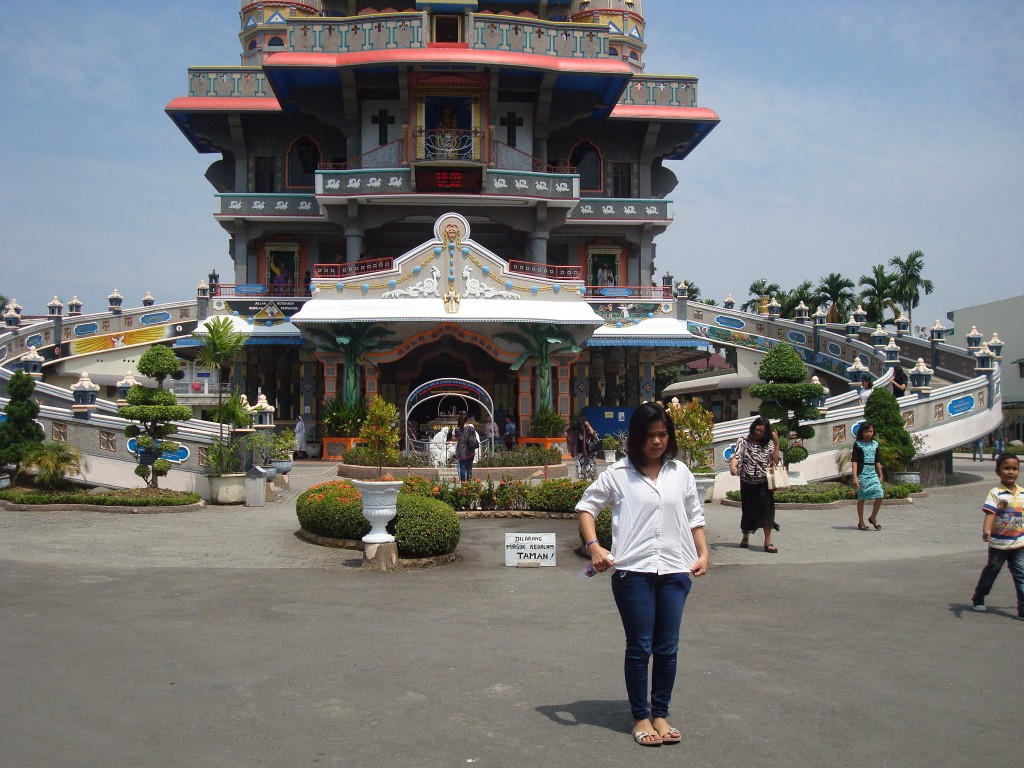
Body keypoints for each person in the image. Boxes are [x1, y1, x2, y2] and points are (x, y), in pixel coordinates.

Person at [576, 403, 708, 747]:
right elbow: (587, 507)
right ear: (636, 438)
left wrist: (704, 552)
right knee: (641, 647)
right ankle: (640, 716)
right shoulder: (618, 474)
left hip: (676, 570)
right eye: (649, 435)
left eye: (662, 434)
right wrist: (594, 546)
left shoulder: (681, 472)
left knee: (667, 647)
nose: (656, 441)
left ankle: (660, 713)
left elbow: (695, 516)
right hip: (633, 573)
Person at [970, 453, 1024, 618]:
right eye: (1006, 468)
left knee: (1021, 575)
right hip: (998, 545)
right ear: (997, 471)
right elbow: (990, 514)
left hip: (1019, 544)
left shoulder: (1022, 493)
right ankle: (979, 597)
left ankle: (1022, 609)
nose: (1010, 472)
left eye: (1014, 468)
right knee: (991, 572)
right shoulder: (996, 493)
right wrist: (986, 529)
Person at [729, 416, 781, 552]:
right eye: (757, 429)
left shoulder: (769, 443)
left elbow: (775, 461)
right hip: (747, 482)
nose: (758, 433)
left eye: (762, 431)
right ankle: (745, 536)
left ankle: (767, 542)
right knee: (748, 510)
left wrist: (776, 444)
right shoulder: (743, 441)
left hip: (763, 483)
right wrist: (733, 467)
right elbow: (736, 456)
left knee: (768, 511)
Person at [853, 421, 885, 530]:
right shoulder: (857, 444)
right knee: (862, 498)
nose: (869, 433)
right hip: (862, 473)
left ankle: (873, 517)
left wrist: (880, 474)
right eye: (866, 431)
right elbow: (854, 461)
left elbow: (877, 460)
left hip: (872, 472)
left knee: (880, 494)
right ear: (862, 432)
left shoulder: (875, 444)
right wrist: (855, 477)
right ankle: (861, 522)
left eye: (870, 431)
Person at [453, 412, 478, 482]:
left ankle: (463, 484)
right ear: (467, 419)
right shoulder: (471, 428)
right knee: (469, 468)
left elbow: (456, 438)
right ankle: (469, 485)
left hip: (460, 451)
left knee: (462, 468)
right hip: (470, 450)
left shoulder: (457, 429)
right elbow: (473, 438)